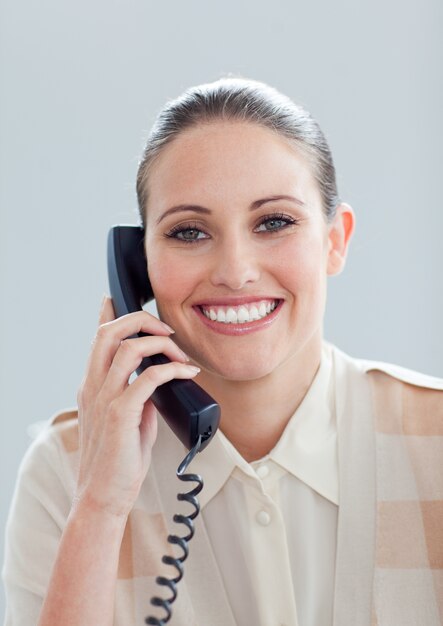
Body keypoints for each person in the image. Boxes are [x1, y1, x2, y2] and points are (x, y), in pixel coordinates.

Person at [3, 78, 443, 626]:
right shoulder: (65, 472)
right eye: (189, 232)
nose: (235, 272)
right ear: (137, 267)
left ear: (335, 241)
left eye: (274, 222)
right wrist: (99, 506)